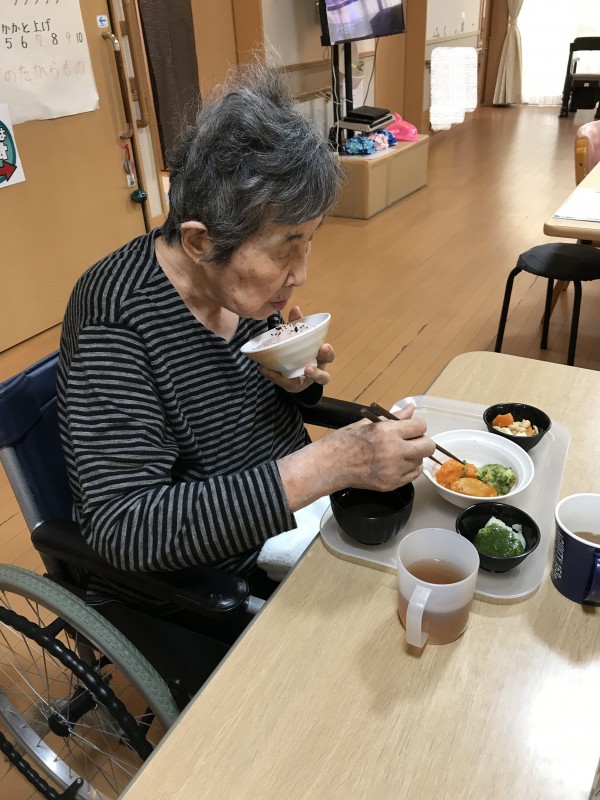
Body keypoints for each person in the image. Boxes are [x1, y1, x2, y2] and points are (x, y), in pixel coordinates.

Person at [57, 61, 435, 606]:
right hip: (221, 580)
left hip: (300, 525)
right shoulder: (115, 318)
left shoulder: (239, 285)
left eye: (309, 240)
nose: (300, 274)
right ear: (199, 242)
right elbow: (125, 527)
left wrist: (294, 381)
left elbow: (239, 405)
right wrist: (328, 465)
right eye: (286, 247)